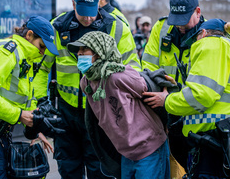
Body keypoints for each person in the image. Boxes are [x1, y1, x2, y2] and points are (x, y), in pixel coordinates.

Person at [33, 0, 141, 179]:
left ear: (100, 4)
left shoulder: (116, 26)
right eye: (83, 13)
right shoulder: (58, 27)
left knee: (99, 169)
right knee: (68, 168)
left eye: (93, 13)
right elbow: (42, 69)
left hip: (102, 110)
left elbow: (133, 69)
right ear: (73, 4)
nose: (89, 18)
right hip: (65, 110)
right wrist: (41, 101)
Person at [146, 18, 230, 178]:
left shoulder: (212, 44)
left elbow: (202, 95)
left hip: (220, 139)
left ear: (202, 33)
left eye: (195, 38)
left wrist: (166, 100)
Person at [0, 15, 61, 178]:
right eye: (42, 46)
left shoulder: (26, 58)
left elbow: (25, 99)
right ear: (29, 35)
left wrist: (35, 129)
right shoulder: (8, 51)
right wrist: (19, 115)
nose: (42, 52)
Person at [67, 31, 170, 179]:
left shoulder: (117, 76)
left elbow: (145, 87)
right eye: (79, 51)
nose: (79, 54)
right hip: (126, 152)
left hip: (149, 147)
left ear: (99, 52)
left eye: (84, 49)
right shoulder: (86, 82)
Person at [141, 0, 205, 169]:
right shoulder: (161, 28)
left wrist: (174, 95)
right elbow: (148, 66)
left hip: (193, 113)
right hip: (163, 109)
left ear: (197, 12)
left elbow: (204, 83)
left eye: (185, 20)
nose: (180, 26)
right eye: (177, 20)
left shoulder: (208, 36)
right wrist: (162, 91)